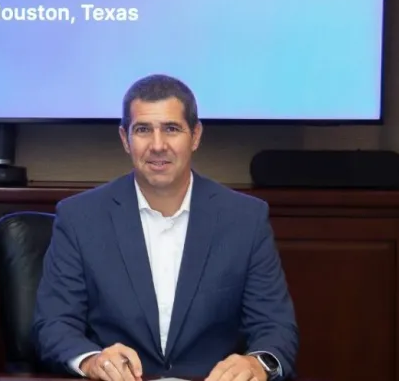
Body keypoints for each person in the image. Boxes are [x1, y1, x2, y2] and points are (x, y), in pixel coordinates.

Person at [32, 74, 298, 381]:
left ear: (195, 136)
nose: (158, 146)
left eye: (171, 129)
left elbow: (275, 327)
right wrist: (92, 361)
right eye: (143, 130)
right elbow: (54, 323)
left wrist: (257, 364)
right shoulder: (80, 217)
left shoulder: (245, 219)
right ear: (125, 139)